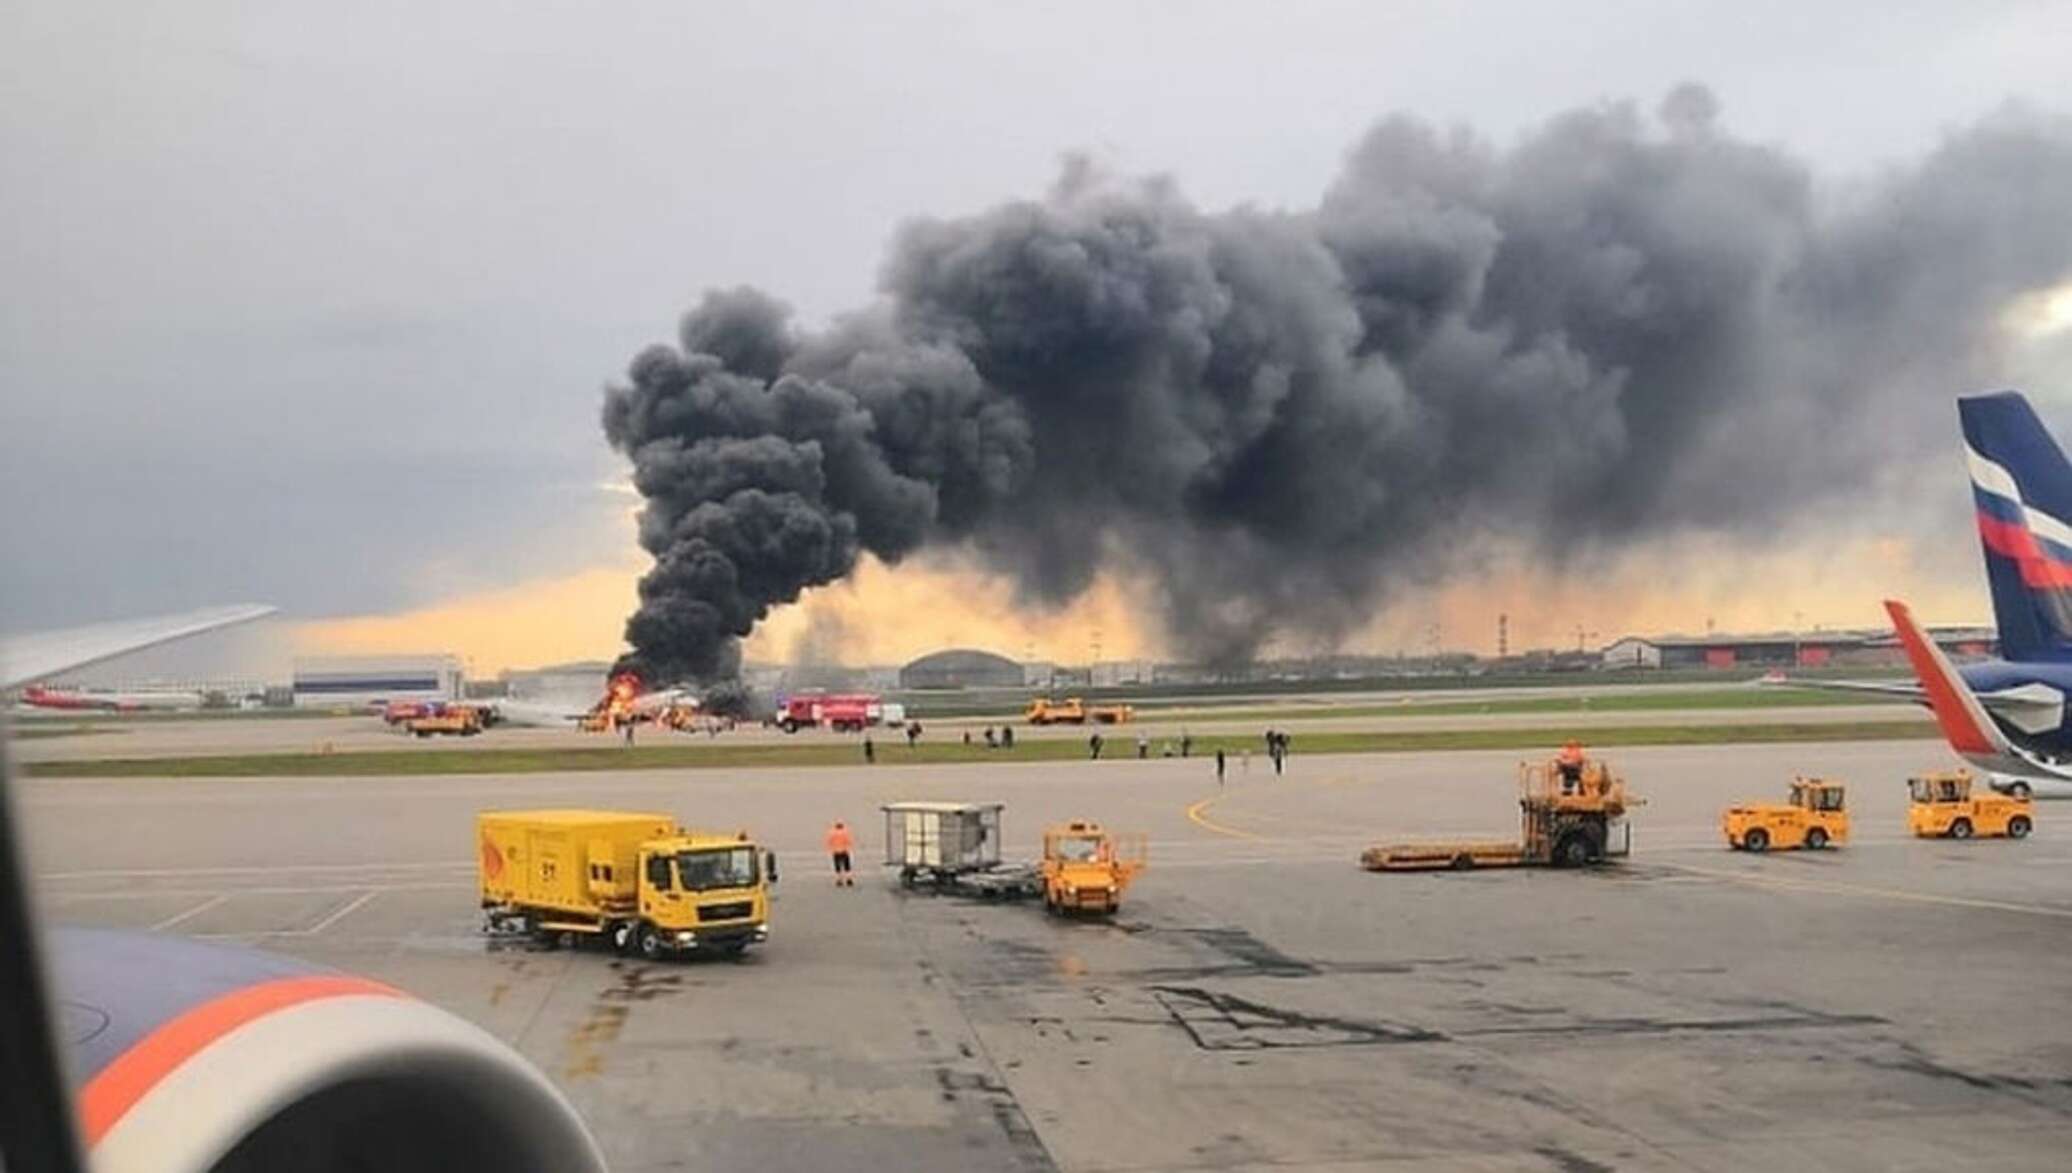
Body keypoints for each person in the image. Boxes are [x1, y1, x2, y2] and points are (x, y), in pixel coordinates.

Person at [825, 821, 855, 888]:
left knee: (837, 866)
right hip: (844, 851)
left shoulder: (832, 833)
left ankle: (839, 880)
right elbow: (849, 841)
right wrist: (849, 849)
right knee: (847, 866)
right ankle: (849, 879)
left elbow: (829, 842)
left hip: (836, 851)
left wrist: (831, 850)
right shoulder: (846, 832)